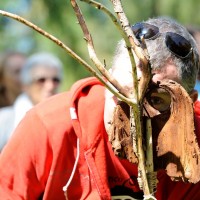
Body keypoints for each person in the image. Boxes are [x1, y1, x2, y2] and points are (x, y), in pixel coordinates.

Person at [0, 17, 200, 200]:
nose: (136, 117)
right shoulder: (49, 126)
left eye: (157, 101)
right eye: (123, 93)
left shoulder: (196, 141)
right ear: (106, 80)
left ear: (188, 104)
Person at [0, 52, 63, 151]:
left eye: (55, 80)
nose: (50, 86)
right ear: (25, 85)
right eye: (41, 80)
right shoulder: (5, 119)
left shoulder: (68, 116)